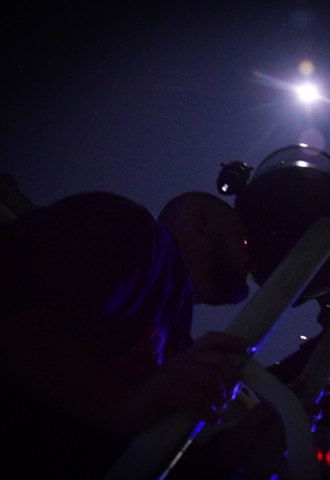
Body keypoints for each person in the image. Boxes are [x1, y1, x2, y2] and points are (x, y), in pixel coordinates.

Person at [0, 190, 253, 479]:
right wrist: (121, 402)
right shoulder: (136, 233)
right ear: (201, 222)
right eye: (243, 239)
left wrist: (232, 450)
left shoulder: (180, 341)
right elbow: (12, 301)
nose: (252, 261)